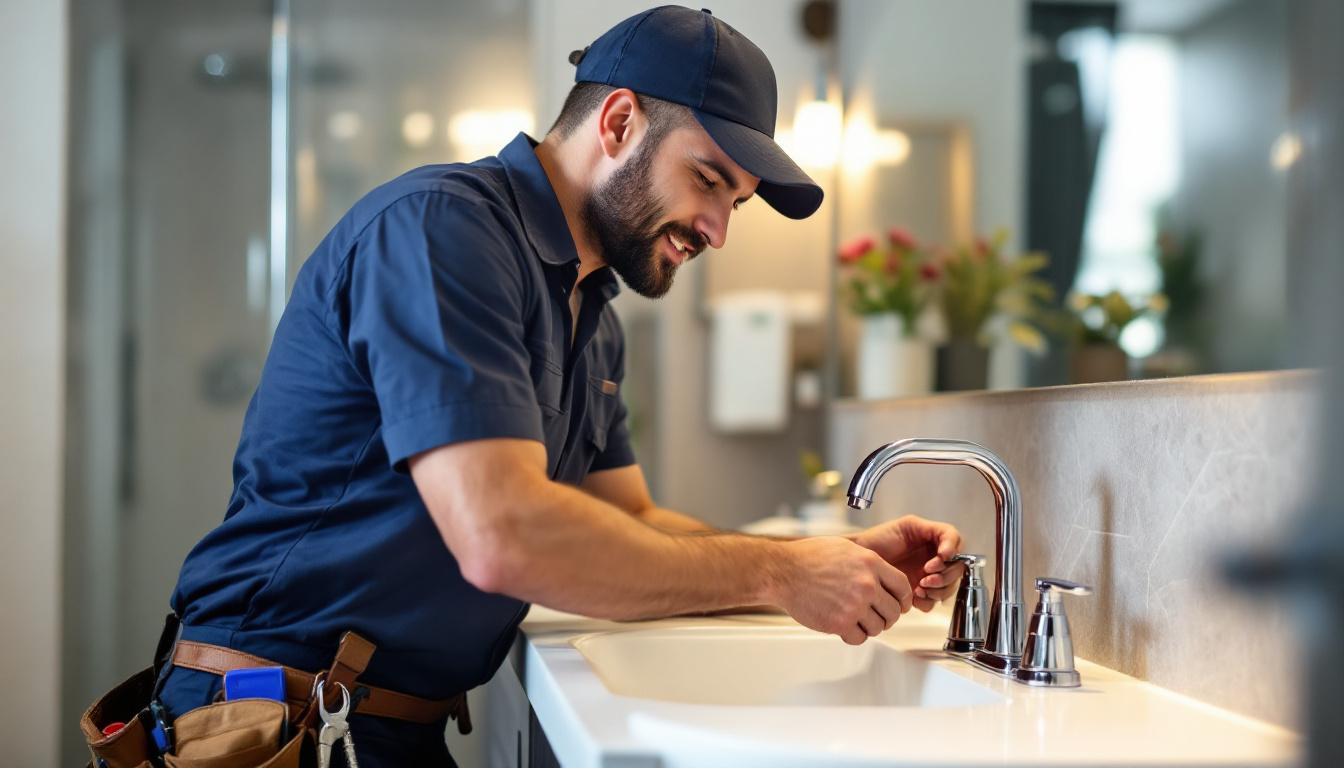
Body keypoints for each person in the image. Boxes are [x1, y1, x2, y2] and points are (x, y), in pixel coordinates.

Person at [157, 6, 964, 766]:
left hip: (379, 726)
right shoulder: (446, 231)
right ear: (618, 123)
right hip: (270, 726)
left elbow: (634, 519)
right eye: (710, 180)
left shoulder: (593, 310)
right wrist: (779, 576)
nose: (719, 230)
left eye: (738, 203)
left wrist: (826, 558)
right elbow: (502, 533)